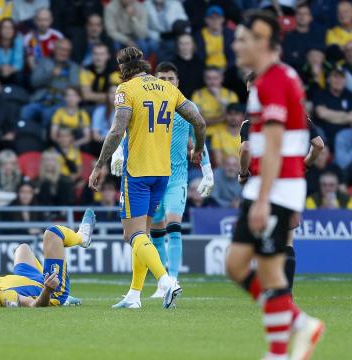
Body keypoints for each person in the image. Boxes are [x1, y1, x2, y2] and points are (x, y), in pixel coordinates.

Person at [227, 11, 324, 360]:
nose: (236, 45)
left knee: (269, 271)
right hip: (268, 187)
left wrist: (264, 198)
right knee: (236, 266)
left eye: (243, 39)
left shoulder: (274, 83)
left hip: (277, 188)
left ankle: (280, 352)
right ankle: (299, 323)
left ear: (262, 42)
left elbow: (272, 147)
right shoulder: (264, 84)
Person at [87, 47, 206, 309]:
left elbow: (118, 130)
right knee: (144, 235)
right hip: (163, 173)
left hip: (137, 173)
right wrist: (198, 149)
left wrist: (99, 165)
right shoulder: (168, 89)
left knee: (131, 235)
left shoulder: (126, 90)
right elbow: (199, 122)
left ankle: (166, 281)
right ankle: (134, 295)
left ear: (123, 70)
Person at [111, 61, 213, 298]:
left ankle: (172, 278)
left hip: (176, 177)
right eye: (163, 79)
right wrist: (118, 152)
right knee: (153, 232)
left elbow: (196, 142)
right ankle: (161, 282)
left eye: (171, 79)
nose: (166, 83)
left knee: (173, 225)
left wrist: (207, 170)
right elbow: (127, 129)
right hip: (153, 172)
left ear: (178, 82)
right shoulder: (147, 102)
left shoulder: (186, 108)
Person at [0, 209, 96, 307]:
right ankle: (82, 238)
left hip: (28, 279)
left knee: (23, 249)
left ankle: (48, 279)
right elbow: (33, 305)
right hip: (51, 291)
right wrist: (47, 290)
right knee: (53, 233)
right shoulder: (5, 297)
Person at [22, 39, 80, 129]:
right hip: (41, 100)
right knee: (26, 111)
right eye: (61, 49)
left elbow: (74, 87)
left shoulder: (73, 67)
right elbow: (34, 82)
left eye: (67, 50)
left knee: (47, 114)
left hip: (61, 102)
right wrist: (50, 74)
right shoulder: (44, 62)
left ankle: (43, 140)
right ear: (54, 49)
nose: (63, 53)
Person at [191, 66, 239, 141]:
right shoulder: (197, 95)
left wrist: (218, 98)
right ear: (204, 79)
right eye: (209, 78)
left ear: (222, 78)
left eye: (215, 78)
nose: (212, 82)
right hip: (205, 136)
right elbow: (198, 121)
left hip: (225, 136)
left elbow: (233, 119)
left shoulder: (230, 95)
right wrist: (222, 117)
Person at [313, 67, 352, 148]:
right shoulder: (320, 93)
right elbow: (322, 114)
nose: (338, 80)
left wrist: (331, 115)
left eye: (341, 77)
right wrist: (346, 116)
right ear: (328, 79)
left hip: (346, 141)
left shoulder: (350, 95)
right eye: (335, 76)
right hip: (324, 140)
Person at [282, 3, 326, 73]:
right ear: (295, 16)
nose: (302, 16)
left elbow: (320, 56)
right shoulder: (289, 36)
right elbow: (288, 59)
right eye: (299, 14)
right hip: (295, 72)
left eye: (305, 14)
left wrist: (299, 55)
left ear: (311, 17)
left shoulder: (317, 35)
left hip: (315, 72)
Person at [171, 33, 205, 98]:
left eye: (187, 43)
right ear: (178, 45)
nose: (185, 47)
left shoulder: (200, 63)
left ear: (193, 45)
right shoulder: (171, 64)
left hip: (198, 100)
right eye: (182, 44)